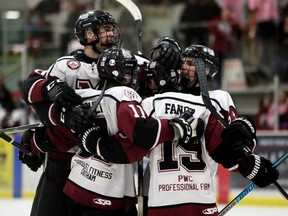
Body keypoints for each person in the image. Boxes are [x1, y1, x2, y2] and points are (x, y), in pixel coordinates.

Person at [140, 44, 279, 215]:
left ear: (207, 70)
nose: (184, 67)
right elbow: (224, 152)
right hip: (193, 199)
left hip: (164, 200)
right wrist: (248, 165)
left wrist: (244, 134)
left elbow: (227, 149)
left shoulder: (157, 101)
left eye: (191, 63)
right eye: (183, 62)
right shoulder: (214, 102)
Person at [62, 47, 200, 215]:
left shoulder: (82, 95)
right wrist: (174, 128)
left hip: (75, 183)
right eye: (127, 71)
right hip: (105, 191)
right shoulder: (123, 94)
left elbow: (54, 132)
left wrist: (32, 143)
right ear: (115, 72)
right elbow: (142, 134)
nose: (131, 76)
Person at [20, 10, 124, 216]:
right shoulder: (66, 66)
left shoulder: (123, 63)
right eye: (105, 29)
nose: (111, 33)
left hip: (101, 161)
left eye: (112, 29)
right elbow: (34, 95)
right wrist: (57, 119)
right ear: (89, 34)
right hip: (63, 159)